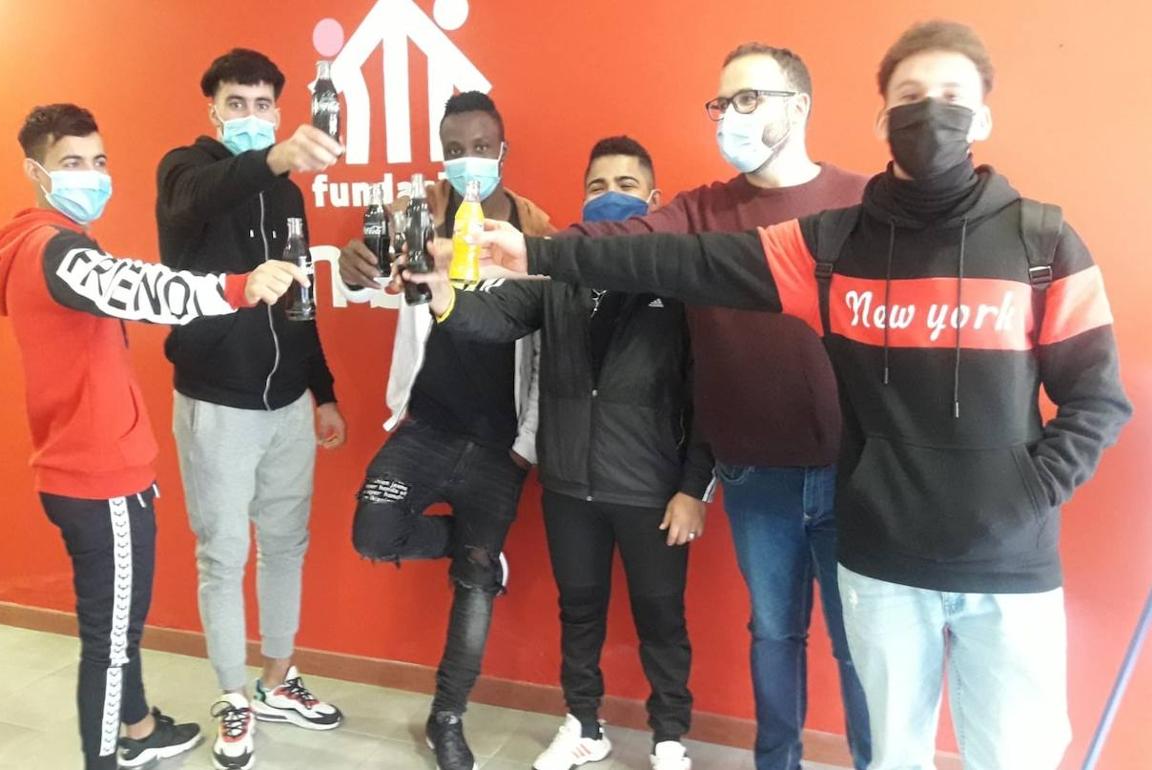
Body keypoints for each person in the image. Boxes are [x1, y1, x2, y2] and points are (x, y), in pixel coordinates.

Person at [420, 20, 1134, 770]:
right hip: (845, 518)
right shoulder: (825, 241)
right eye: (910, 96)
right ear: (883, 117)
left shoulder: (1024, 238)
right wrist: (534, 250)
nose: (931, 113)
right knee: (849, 705)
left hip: (987, 550)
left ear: (982, 114)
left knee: (1007, 750)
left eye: (951, 95)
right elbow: (663, 255)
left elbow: (1097, 397)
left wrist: (1029, 493)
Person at [0, 103, 312, 770]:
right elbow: (141, 289)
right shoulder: (53, 248)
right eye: (72, 163)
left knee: (117, 625)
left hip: (98, 465)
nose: (92, 175)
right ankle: (110, 753)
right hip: (97, 474)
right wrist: (238, 286)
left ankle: (139, 725)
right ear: (35, 171)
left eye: (99, 161)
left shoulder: (48, 242)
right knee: (111, 641)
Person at [564, 44, 871, 770]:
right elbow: (629, 241)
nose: (731, 115)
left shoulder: (862, 202)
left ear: (799, 106)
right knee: (774, 635)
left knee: (863, 646)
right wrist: (532, 247)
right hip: (755, 475)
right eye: (723, 103)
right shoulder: (703, 210)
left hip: (857, 474)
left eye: (749, 99)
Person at [411, 136, 712, 770]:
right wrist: (441, 293)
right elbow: (493, 316)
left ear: (654, 199)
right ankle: (583, 724)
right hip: (571, 485)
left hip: (652, 490)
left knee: (661, 618)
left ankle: (668, 738)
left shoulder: (680, 282)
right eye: (597, 186)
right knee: (579, 613)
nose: (610, 197)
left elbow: (708, 393)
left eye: (626, 185)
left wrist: (694, 489)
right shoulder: (557, 276)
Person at [337, 91, 552, 770]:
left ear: (502, 151)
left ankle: (447, 718)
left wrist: (526, 447)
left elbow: (548, 353)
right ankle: (473, 549)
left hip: (498, 445)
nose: (468, 161)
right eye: (454, 150)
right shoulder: (418, 218)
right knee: (374, 532)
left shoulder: (536, 231)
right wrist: (352, 266)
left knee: (475, 584)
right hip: (426, 425)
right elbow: (372, 279)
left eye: (481, 148)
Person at [155, 48, 347, 770]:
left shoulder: (288, 195)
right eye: (237, 103)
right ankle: (233, 697)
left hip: (288, 404)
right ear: (213, 109)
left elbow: (302, 299)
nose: (250, 115)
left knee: (286, 545)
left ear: (278, 109)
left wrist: (323, 391)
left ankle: (276, 679)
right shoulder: (184, 171)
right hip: (217, 405)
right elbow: (197, 200)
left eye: (263, 105)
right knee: (223, 556)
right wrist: (272, 157)